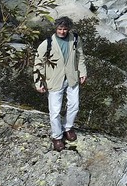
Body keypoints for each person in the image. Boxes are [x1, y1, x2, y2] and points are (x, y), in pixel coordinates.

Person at [32, 16, 87, 151]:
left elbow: (80, 56)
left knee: (74, 105)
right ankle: (57, 136)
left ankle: (68, 128)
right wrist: (39, 83)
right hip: (54, 80)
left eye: (65, 29)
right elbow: (38, 64)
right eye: (60, 29)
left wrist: (83, 72)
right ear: (56, 28)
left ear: (69, 29)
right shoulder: (47, 43)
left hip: (72, 77)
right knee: (55, 111)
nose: (62, 32)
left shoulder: (75, 39)